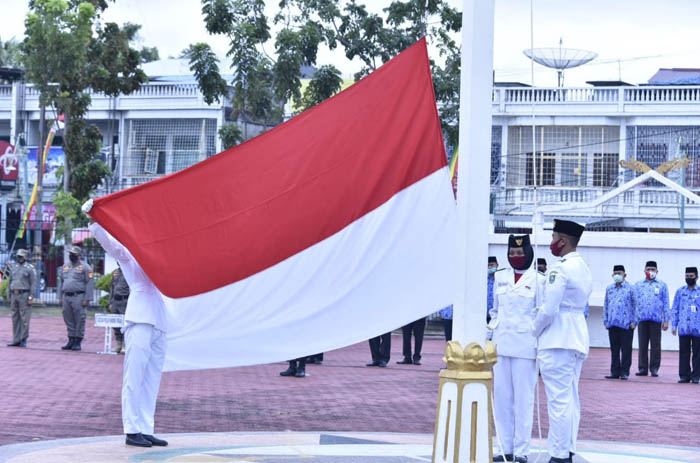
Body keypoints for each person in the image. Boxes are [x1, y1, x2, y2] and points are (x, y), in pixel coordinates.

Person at [83, 199, 169, 448]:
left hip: (160, 319)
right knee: (135, 375)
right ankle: (132, 429)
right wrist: (95, 221)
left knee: (152, 378)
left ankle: (145, 427)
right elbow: (111, 246)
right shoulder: (131, 253)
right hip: (140, 317)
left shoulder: (164, 256)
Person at [533, 219, 592, 463]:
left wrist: (533, 330)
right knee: (570, 398)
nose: (551, 243)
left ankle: (558, 455)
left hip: (558, 338)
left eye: (553, 237)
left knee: (558, 401)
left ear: (563, 241)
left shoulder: (560, 268)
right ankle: (567, 448)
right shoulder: (583, 266)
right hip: (576, 336)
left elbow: (549, 309)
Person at [489, 234, 544, 463]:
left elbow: (541, 312)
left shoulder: (539, 280)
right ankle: (505, 448)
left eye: (520, 253)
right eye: (512, 253)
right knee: (502, 400)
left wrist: (537, 341)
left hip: (525, 347)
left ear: (529, 254)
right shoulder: (500, 277)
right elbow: (494, 311)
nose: (516, 257)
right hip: (501, 345)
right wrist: (489, 336)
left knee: (523, 401)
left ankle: (522, 451)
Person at [634, 261, 669, 377]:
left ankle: (654, 368)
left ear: (657, 271)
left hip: (656, 320)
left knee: (656, 345)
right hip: (642, 319)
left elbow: (666, 303)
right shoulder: (638, 285)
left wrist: (666, 320)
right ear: (644, 271)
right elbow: (634, 303)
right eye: (648, 269)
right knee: (642, 345)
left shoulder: (662, 285)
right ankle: (643, 368)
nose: (651, 271)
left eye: (653, 269)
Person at [602, 265, 637, 380]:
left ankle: (624, 372)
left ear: (624, 275)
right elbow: (606, 305)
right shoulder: (609, 289)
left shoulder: (631, 288)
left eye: (619, 273)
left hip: (626, 324)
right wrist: (605, 320)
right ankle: (614, 371)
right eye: (615, 273)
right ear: (612, 275)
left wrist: (634, 321)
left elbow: (636, 306)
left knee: (626, 349)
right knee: (614, 349)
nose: (617, 275)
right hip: (612, 324)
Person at [59, 245, 94, 351]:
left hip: (78, 296)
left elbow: (90, 283)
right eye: (70, 254)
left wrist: (87, 298)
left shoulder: (86, 267)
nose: (71, 256)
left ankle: (78, 340)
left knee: (79, 319)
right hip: (66, 296)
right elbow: (60, 282)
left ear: (79, 255)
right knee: (68, 318)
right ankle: (71, 339)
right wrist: (60, 297)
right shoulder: (65, 266)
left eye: (73, 254)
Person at [670, 267, 700, 384]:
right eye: (687, 276)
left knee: (697, 353)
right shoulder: (680, 292)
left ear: (696, 277)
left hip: (697, 328)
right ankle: (684, 375)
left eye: (691, 276)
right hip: (683, 327)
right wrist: (674, 326)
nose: (689, 278)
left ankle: (696, 375)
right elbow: (675, 309)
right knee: (684, 352)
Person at [6, 249, 36, 348]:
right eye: (18, 256)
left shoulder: (30, 268)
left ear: (26, 257)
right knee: (15, 318)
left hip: (24, 294)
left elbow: (33, 284)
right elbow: (10, 282)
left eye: (21, 256)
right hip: (14, 294)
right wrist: (8, 295)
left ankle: (23, 339)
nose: (20, 258)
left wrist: (31, 297)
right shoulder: (13, 267)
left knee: (24, 318)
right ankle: (16, 339)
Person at [109, 266, 130, 354]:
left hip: (124, 301)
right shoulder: (115, 272)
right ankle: (119, 344)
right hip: (115, 301)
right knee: (116, 324)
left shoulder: (129, 271)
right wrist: (110, 302)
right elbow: (112, 288)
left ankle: (125, 344)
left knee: (125, 324)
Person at [487, 256, 498, 323]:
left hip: (497, 316)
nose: (490, 267)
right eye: (488, 265)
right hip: (485, 316)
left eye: (492, 265)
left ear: (497, 265)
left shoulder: (501, 279)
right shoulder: (483, 279)